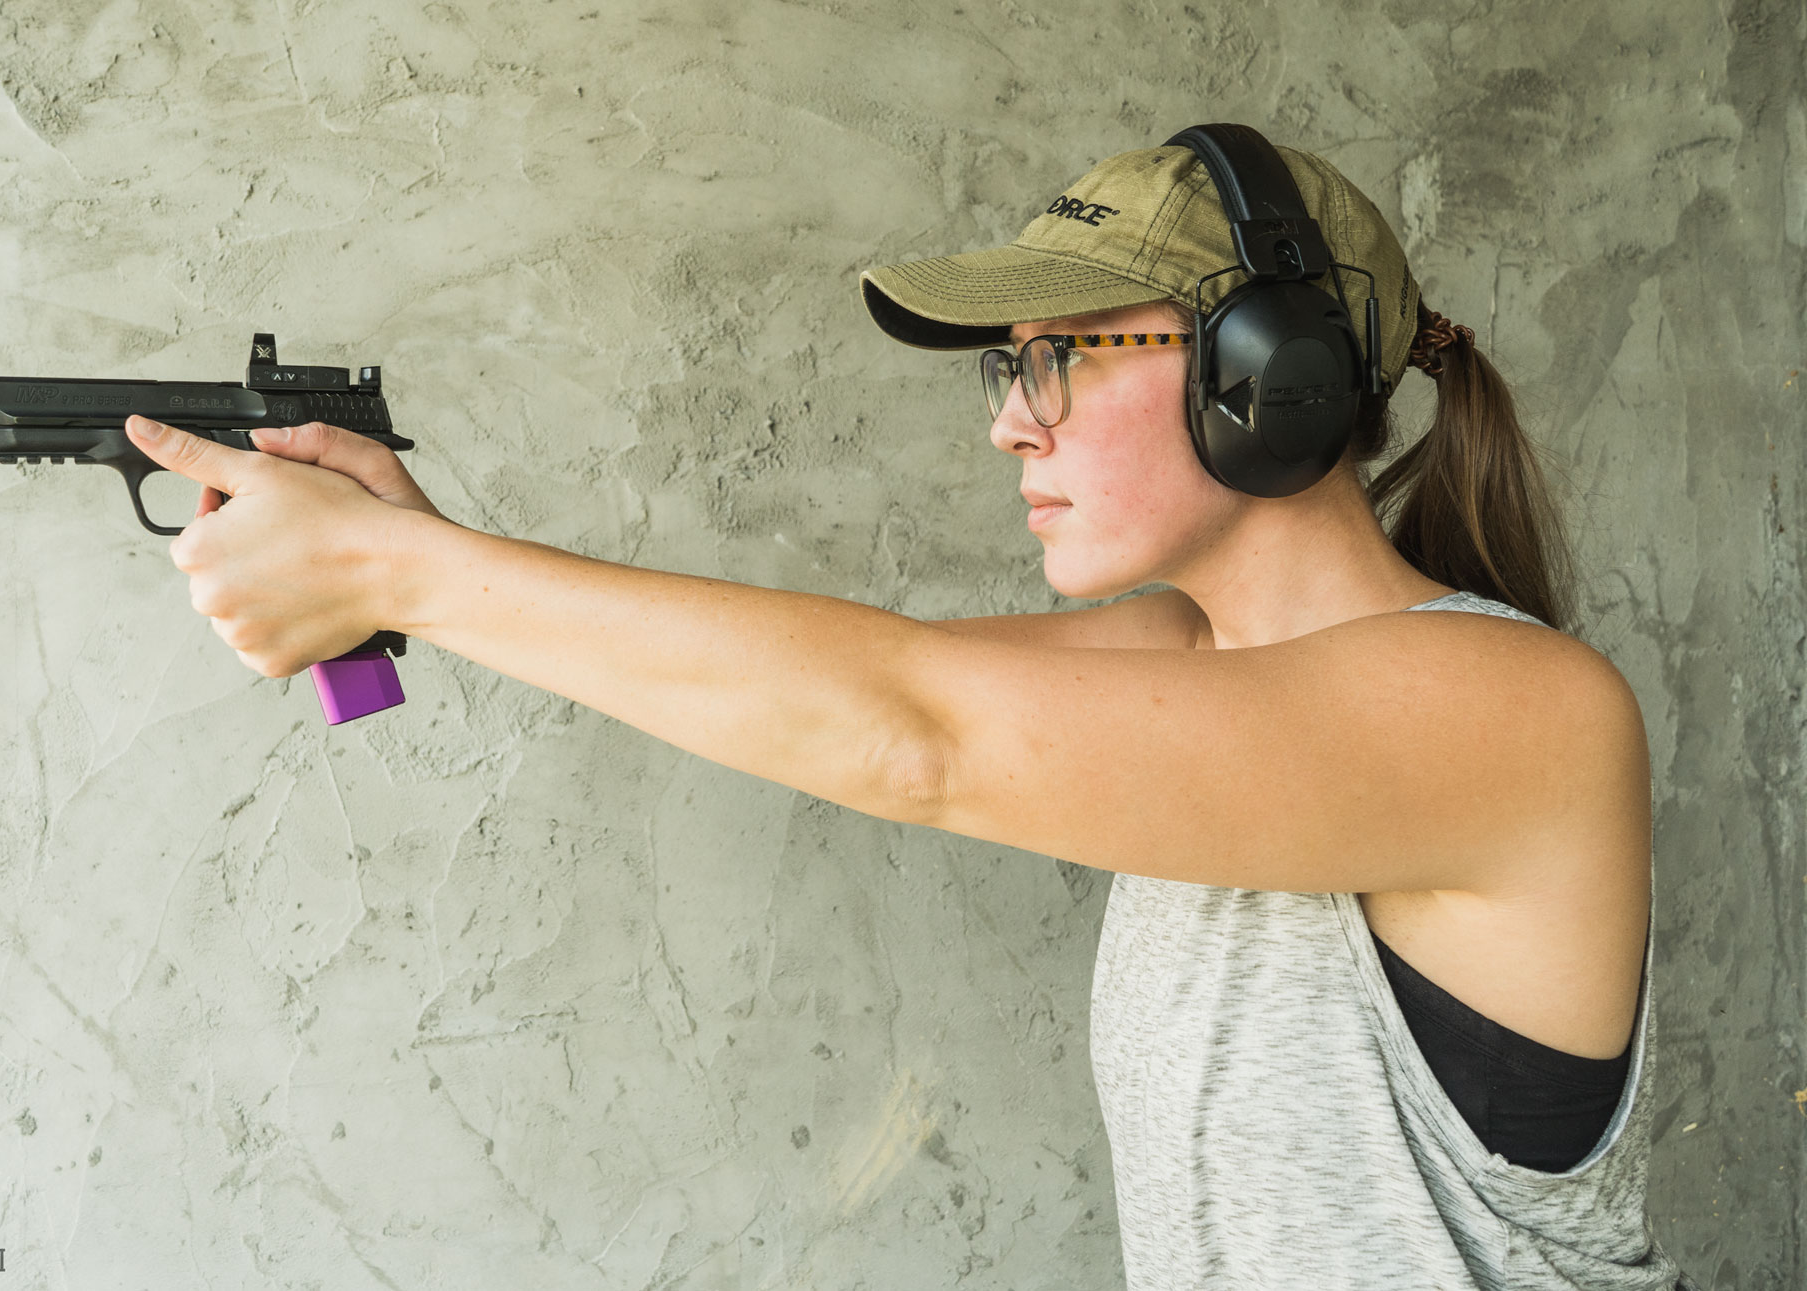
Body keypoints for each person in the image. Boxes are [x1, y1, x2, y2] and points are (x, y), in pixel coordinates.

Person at [121, 133, 1692, 1289]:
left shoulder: (1515, 711)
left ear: (1264, 373)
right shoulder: (1174, 657)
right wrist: (426, 559)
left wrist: (405, 570)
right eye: (1002, 370)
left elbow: (909, 737)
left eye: (1061, 359)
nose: (1010, 425)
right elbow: (819, 681)